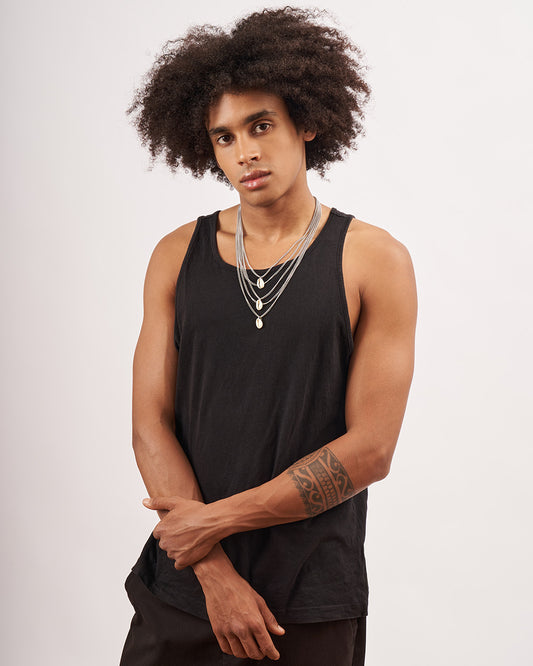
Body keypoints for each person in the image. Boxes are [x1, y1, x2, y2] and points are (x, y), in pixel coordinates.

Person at [119, 7, 417, 665]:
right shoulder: (176, 254)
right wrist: (213, 571)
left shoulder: (373, 259)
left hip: (308, 598)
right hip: (184, 589)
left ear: (305, 122)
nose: (244, 153)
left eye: (260, 126)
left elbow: (371, 449)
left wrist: (216, 520)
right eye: (224, 137)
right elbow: (149, 424)